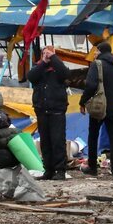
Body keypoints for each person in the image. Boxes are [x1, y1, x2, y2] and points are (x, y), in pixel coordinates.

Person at [79, 41, 113, 178]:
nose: (94, 53)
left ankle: (93, 168)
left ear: (100, 51)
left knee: (93, 135)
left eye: (95, 51)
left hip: (99, 108)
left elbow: (90, 85)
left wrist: (82, 102)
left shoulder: (97, 65)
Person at [27, 45, 70, 180]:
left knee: (58, 141)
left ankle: (60, 170)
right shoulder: (39, 68)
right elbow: (31, 77)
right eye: (44, 53)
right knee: (45, 141)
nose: (47, 55)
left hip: (57, 109)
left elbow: (65, 74)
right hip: (41, 109)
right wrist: (44, 62)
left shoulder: (59, 69)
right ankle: (49, 170)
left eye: (50, 53)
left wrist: (53, 58)